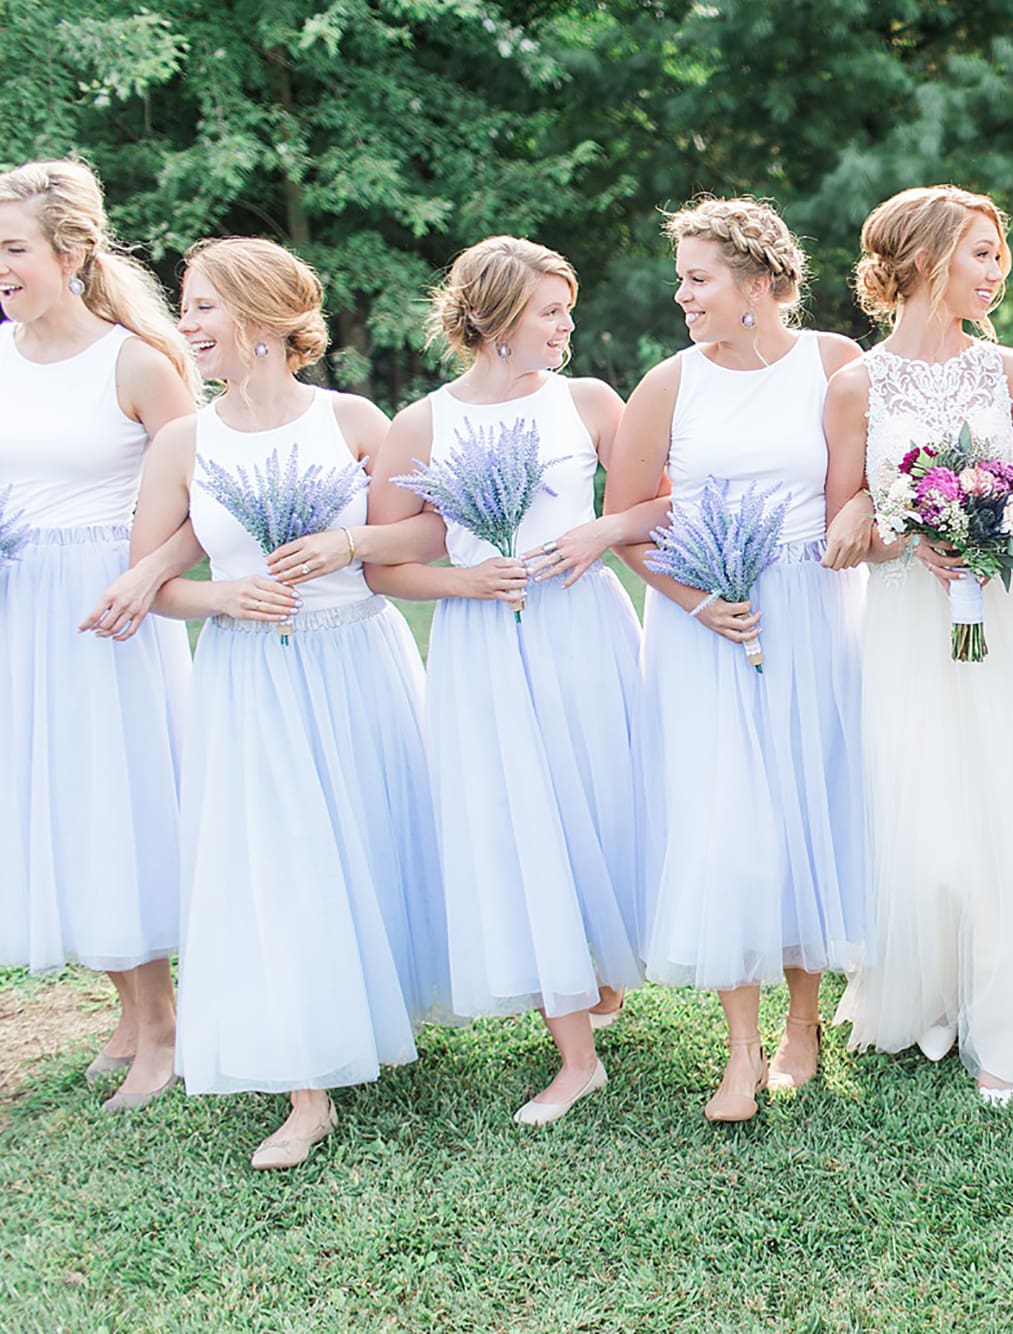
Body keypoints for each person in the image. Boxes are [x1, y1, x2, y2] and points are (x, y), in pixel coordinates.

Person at [133, 237, 448, 1169]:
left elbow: (426, 525)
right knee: (281, 860)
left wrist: (348, 543)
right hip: (253, 675)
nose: (186, 325)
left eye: (201, 306)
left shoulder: (350, 418)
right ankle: (307, 1087)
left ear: (263, 315)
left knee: (369, 840)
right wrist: (222, 596)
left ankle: (369, 1011)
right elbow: (151, 580)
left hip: (356, 655)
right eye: (185, 308)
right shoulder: (184, 442)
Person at [824, 185, 1013, 1104]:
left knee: (1002, 796)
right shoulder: (854, 384)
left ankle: (1010, 1011)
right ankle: (932, 991)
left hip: (1004, 608)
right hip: (910, 615)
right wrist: (910, 531)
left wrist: (1002, 516)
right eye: (983, 253)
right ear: (924, 258)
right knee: (919, 797)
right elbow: (841, 517)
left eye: (1001, 254)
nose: (1001, 271)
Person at [368, 236, 651, 1125]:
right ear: (492, 321)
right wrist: (469, 578)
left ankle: (600, 970)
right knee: (519, 815)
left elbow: (662, 500)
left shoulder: (591, 401)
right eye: (550, 313)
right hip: (486, 641)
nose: (568, 327)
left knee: (602, 800)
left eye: (568, 308)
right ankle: (575, 1056)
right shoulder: (421, 425)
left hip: (584, 625)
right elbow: (387, 564)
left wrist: (603, 532)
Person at [604, 199, 866, 1123]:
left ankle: (806, 1023)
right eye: (683, 278)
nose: (683, 295)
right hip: (704, 621)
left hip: (807, 609)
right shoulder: (668, 385)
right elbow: (631, 524)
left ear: (758, 284)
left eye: (698, 278)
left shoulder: (836, 364)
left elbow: (849, 505)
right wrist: (700, 603)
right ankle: (742, 1049)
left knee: (805, 801)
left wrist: (861, 525)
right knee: (728, 819)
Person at [0, 159, 198, 1112]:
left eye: (13, 248)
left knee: (120, 798)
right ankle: (126, 1011)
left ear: (71, 254)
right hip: (24, 605)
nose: (1, 265)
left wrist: (148, 570)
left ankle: (164, 1024)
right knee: (65, 800)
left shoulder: (136, 362)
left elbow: (216, 491)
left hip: (113, 602)